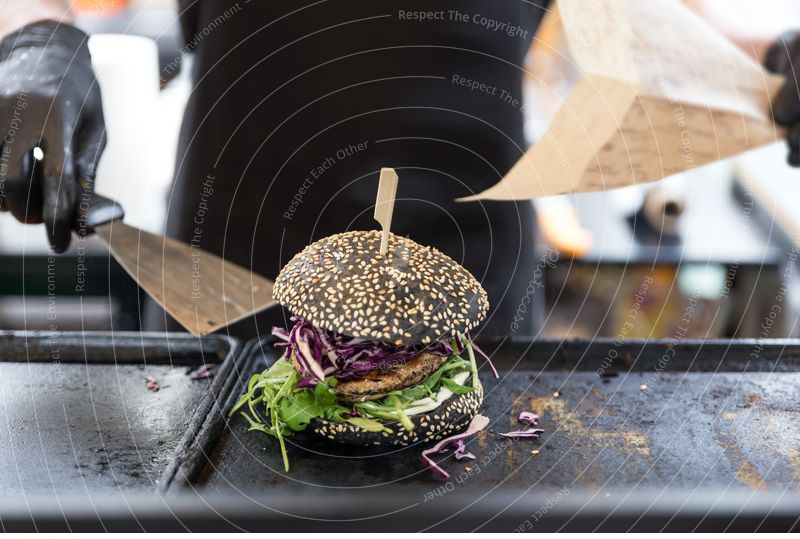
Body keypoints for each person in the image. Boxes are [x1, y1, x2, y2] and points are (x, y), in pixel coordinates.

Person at [1, 1, 799, 339]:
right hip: (231, 263)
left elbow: (669, 19)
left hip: (475, 282)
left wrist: (775, 60)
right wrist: (35, 47)